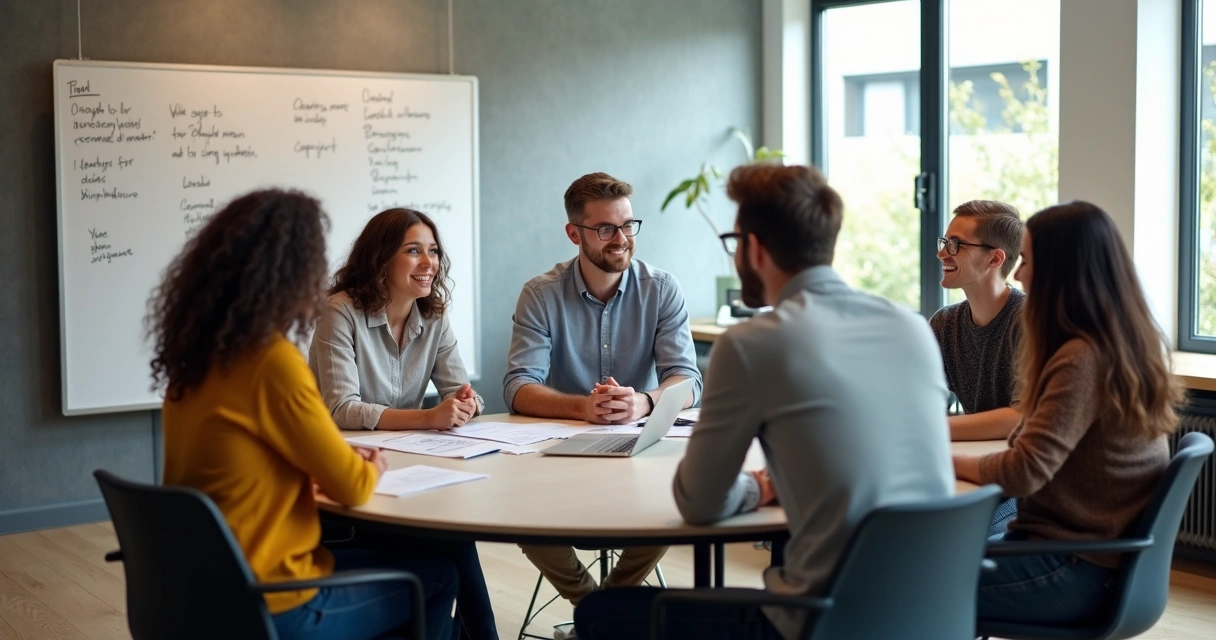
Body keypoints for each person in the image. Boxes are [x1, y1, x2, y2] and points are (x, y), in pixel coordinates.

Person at [573, 164, 955, 640]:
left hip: (824, 621)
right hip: (936, 615)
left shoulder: (754, 343)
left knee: (601, 614)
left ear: (753, 248)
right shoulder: (913, 327)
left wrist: (757, 488)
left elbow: (699, 503)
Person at [150, 190, 458, 640]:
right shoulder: (271, 363)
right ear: (292, 272)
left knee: (413, 562)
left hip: (198, 592)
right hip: (276, 598)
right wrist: (364, 465)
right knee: (439, 573)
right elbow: (351, 487)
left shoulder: (196, 363)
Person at [953, 201, 1183, 626]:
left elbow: (1023, 472)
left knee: (899, 583)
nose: (1018, 274)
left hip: (1073, 570)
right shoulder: (1120, 343)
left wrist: (944, 460)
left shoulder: (1082, 357)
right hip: (1095, 561)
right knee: (927, 562)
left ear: (1062, 270)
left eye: (1027, 260)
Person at [502, 172, 703, 627]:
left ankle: (601, 613)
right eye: (605, 228)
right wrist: (581, 407)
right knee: (516, 511)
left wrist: (646, 403)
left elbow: (688, 378)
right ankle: (596, 607)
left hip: (640, 455)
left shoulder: (662, 288)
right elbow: (518, 386)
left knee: (678, 501)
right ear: (575, 233)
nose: (621, 239)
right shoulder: (540, 294)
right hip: (560, 458)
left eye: (628, 225)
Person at [309, 207, 497, 640]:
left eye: (433, 251)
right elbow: (342, 409)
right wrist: (430, 416)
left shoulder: (433, 317)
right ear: (380, 259)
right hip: (350, 483)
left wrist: (466, 403)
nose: (429, 262)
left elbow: (460, 390)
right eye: (413, 251)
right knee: (453, 542)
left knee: (454, 534)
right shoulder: (340, 312)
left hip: (408, 469)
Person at [931, 200, 1025, 442]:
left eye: (955, 245)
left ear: (994, 259)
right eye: (945, 242)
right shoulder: (944, 324)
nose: (942, 253)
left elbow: (1021, 417)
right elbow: (917, 399)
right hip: (978, 458)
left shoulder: (1030, 320)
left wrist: (927, 428)